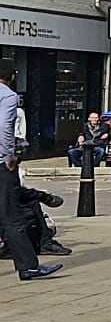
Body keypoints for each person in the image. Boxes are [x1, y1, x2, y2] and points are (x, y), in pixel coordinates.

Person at [0, 60, 61, 283]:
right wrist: (8, 156)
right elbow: (4, 126)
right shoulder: (7, 96)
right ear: (12, 77)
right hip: (0, 163)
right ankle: (29, 267)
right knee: (11, 217)